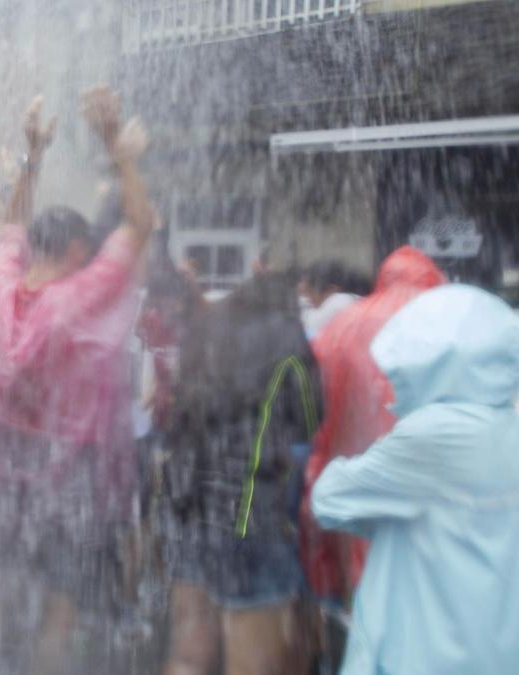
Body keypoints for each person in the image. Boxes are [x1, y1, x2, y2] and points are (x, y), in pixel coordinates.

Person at [0, 87, 154, 673]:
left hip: (3, 470)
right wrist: (114, 146)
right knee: (60, 609)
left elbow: (10, 226)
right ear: (75, 248)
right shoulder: (75, 300)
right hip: (70, 475)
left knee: (6, 596)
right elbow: (141, 225)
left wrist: (33, 154)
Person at [312, 284, 519, 675]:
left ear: (429, 361)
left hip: (421, 655)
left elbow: (329, 499)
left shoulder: (430, 436)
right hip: (498, 653)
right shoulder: (509, 430)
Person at [161, 272, 321, 675]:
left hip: (189, 512)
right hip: (250, 516)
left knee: (188, 657)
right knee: (253, 665)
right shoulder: (286, 337)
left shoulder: (206, 329)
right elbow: (309, 412)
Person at [300, 246, 445, 605]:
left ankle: (340, 626)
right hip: (434, 495)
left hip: (355, 480)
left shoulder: (342, 324)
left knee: (362, 580)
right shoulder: (450, 325)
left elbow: (318, 414)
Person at [298, 261, 363, 340]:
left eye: (309, 293)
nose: (307, 300)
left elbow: (312, 324)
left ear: (331, 290)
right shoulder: (358, 302)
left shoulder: (340, 301)